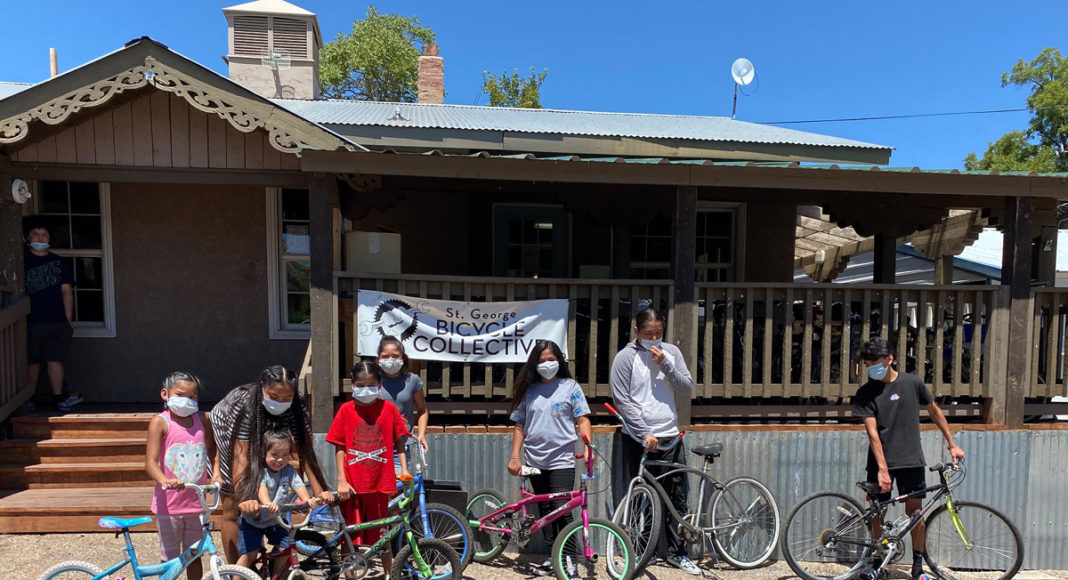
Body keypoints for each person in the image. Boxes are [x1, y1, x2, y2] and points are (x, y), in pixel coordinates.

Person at [854, 337, 965, 580]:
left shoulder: (912, 383)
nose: (871, 367)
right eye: (867, 364)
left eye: (874, 362)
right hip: (880, 463)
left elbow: (934, 411)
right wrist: (882, 469)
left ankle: (917, 567)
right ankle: (876, 562)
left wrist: (952, 444)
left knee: (915, 514)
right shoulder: (865, 393)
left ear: (890, 358)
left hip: (911, 459)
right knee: (877, 512)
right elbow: (873, 434)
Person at [210, 365, 332, 565]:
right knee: (233, 508)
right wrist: (246, 499)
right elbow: (241, 457)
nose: (280, 402)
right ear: (262, 388)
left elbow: (305, 450)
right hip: (229, 426)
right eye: (274, 396)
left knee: (272, 469)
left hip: (273, 436)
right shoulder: (244, 405)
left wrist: (321, 494)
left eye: (287, 397)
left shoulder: (297, 405)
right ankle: (237, 571)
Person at [609, 307, 698, 575]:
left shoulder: (672, 352)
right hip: (639, 437)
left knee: (675, 497)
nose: (654, 338)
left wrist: (666, 364)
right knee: (640, 496)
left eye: (658, 333)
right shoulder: (625, 358)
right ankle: (642, 551)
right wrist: (643, 431)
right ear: (636, 331)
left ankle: (676, 553)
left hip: (669, 433)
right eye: (648, 334)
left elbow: (686, 387)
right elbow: (622, 399)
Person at [508, 340, 591, 575]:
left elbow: (582, 419)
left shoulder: (570, 387)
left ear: (560, 361)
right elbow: (519, 426)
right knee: (545, 511)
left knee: (562, 509)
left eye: (551, 360)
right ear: (534, 364)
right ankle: (551, 557)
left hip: (562, 459)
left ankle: (570, 560)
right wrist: (515, 457)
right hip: (535, 460)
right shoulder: (529, 391)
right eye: (542, 360)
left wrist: (588, 448)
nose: (547, 364)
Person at [326, 360, 410, 576]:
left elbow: (400, 441)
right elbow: (339, 446)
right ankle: (350, 575)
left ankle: (389, 574)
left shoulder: (389, 409)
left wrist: (404, 470)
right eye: (360, 385)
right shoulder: (345, 410)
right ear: (352, 385)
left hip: (380, 484)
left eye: (371, 385)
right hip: (352, 485)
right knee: (349, 536)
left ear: (379, 384)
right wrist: (341, 480)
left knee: (383, 535)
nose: (366, 389)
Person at [145, 371, 216, 580]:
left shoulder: (202, 419)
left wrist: (217, 474)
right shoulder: (160, 422)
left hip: (196, 503)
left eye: (192, 397)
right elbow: (150, 462)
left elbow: (213, 449)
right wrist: (165, 480)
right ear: (165, 394)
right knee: (169, 558)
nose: (187, 400)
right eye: (180, 394)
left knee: (195, 556)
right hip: (169, 505)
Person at [235, 430, 320, 573]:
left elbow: (299, 485)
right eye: (274, 454)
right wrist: (267, 502)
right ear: (264, 453)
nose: (280, 460)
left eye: (285, 455)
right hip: (253, 521)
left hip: (274, 520)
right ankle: (235, 575)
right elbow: (261, 487)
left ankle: (276, 575)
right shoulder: (260, 471)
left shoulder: (288, 470)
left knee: (287, 547)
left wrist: (307, 500)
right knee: (250, 554)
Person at [23, 220, 81, 413]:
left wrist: (68, 319)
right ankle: (29, 398)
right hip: (30, 320)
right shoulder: (21, 261)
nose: (40, 239)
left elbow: (66, 291)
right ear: (27, 237)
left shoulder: (58, 262)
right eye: (35, 234)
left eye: (44, 235)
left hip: (56, 321)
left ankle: (58, 398)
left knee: (55, 360)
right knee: (32, 361)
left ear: (49, 238)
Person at [376, 336, 429, 472]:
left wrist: (421, 435)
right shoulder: (372, 380)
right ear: (378, 358)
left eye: (395, 356)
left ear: (403, 358)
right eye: (385, 356)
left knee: (400, 483)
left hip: (402, 447)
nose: (390, 360)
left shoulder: (413, 380)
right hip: (375, 445)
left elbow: (422, 410)